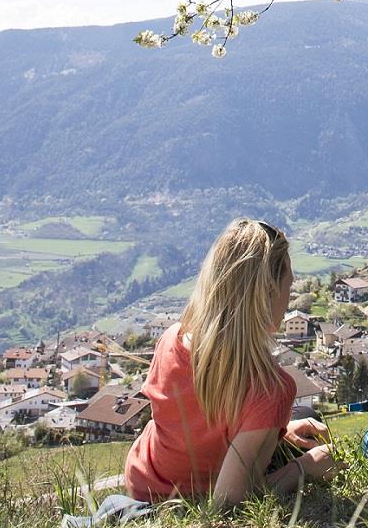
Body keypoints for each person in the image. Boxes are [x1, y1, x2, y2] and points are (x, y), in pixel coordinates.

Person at [124, 217, 335, 507]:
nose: (289, 298)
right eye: (289, 284)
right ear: (267, 295)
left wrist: (278, 433)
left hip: (142, 483)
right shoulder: (268, 390)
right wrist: (306, 467)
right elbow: (229, 502)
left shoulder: (172, 339)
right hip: (187, 502)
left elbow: (197, 434)